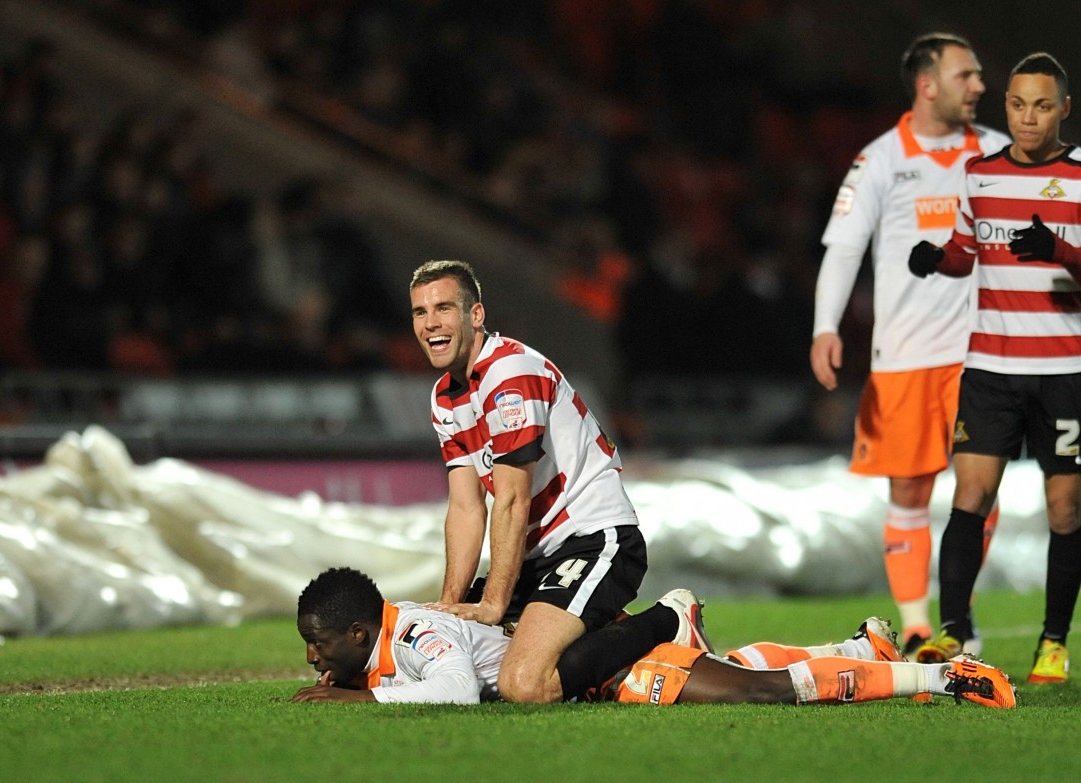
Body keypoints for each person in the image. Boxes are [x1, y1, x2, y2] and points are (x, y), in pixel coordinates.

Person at [906, 52, 1081, 683]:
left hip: (1065, 370)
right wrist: (936, 259)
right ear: (1006, 105)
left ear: (1064, 109)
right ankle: (953, 633)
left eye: (1042, 106)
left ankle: (1053, 642)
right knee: (969, 498)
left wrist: (1060, 251)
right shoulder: (979, 174)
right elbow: (965, 252)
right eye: (1018, 104)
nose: (1028, 118)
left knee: (1064, 511)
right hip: (991, 367)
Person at [810, 33, 1009, 657]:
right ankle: (918, 625)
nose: (979, 86)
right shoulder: (880, 160)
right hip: (904, 357)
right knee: (909, 493)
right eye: (965, 75)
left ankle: (958, 617)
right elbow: (844, 247)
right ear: (927, 85)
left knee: (982, 491)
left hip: (982, 355)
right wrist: (824, 327)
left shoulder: (998, 152)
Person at [407, 259, 654, 704]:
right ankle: (599, 634)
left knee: (522, 683)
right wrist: (449, 608)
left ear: (475, 315)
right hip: (537, 559)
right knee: (448, 655)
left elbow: (511, 500)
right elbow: (465, 508)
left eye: (443, 308)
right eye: (420, 312)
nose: (431, 324)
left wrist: (492, 605)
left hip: (592, 540)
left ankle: (668, 621)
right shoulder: (444, 395)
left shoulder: (510, 373)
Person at [290, 567, 1016, 709]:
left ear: (359, 631)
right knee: (737, 670)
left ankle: (944, 676)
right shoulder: (388, 642)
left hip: (612, 667)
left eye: (319, 643)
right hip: (597, 668)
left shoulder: (417, 633)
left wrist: (358, 699)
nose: (313, 656)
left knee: (759, 692)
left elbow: (455, 690)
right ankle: (862, 649)